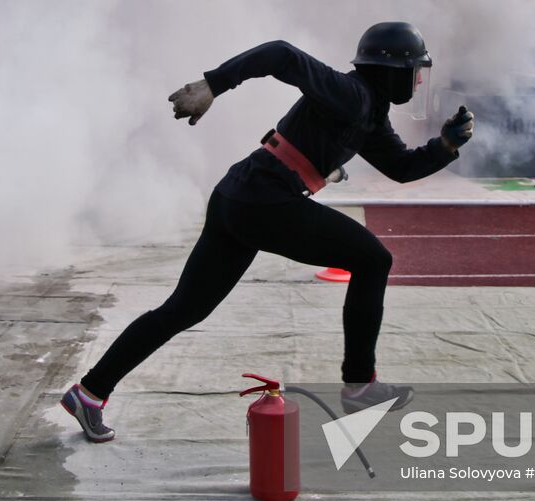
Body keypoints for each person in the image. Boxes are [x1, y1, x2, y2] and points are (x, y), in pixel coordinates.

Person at [59, 25, 475, 443]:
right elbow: (280, 54)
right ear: (391, 70)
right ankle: (360, 385)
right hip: (264, 200)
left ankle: (89, 393)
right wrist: (212, 85)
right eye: (414, 72)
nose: (418, 81)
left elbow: (401, 167)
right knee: (374, 260)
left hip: (239, 197)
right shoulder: (351, 94)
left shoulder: (369, 112)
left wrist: (445, 145)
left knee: (184, 309)